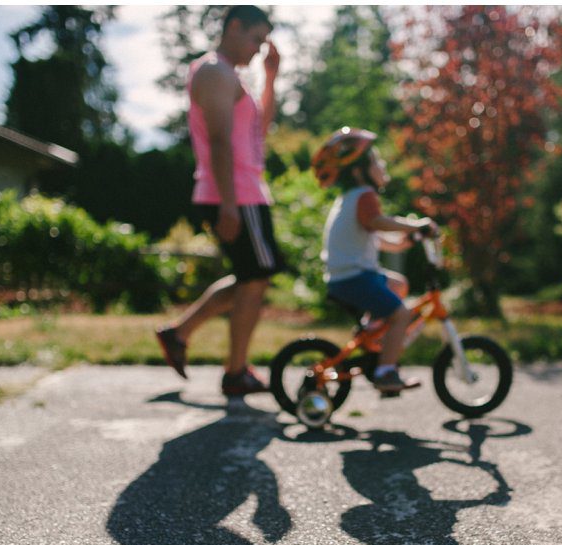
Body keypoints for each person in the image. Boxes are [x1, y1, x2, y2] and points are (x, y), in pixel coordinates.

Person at [156, 5, 285, 396]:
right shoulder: (214, 71)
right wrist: (229, 204)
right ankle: (235, 372)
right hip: (235, 195)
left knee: (252, 278)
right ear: (233, 27)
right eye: (255, 39)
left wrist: (272, 77)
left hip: (245, 193)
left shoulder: (234, 77)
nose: (259, 48)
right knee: (255, 279)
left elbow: (258, 132)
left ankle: (180, 334)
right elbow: (218, 142)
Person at [311, 127, 437, 394]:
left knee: (399, 284)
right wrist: (414, 226)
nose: (382, 165)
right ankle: (385, 372)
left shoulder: (351, 198)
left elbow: (374, 236)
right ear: (359, 171)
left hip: (350, 276)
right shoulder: (364, 195)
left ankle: (373, 339)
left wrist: (404, 241)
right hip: (353, 278)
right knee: (401, 314)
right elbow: (377, 222)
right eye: (376, 161)